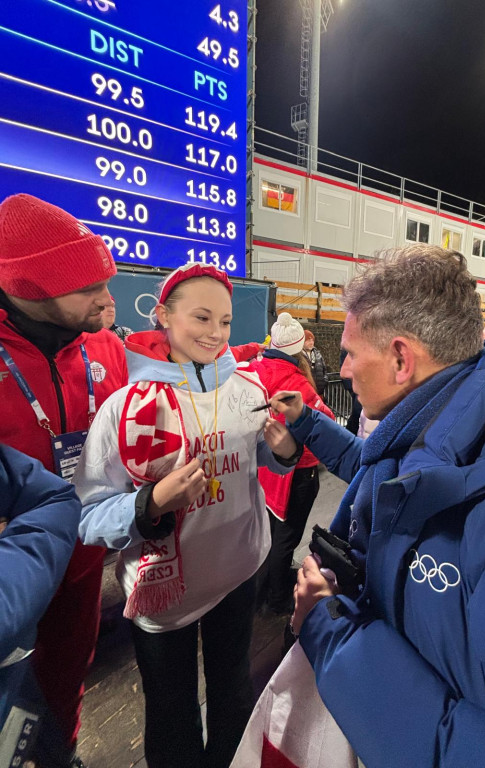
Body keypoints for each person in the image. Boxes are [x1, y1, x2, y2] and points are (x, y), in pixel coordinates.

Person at [269, 245, 485, 767]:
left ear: (399, 358)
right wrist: (305, 422)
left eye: (349, 353)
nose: (342, 371)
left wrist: (330, 631)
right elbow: (372, 467)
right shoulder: (437, 422)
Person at [73, 264, 299, 768]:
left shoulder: (247, 390)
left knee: (234, 694)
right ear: (163, 316)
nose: (216, 334)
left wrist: (281, 452)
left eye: (224, 321)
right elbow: (87, 516)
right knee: (172, 716)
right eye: (201, 317)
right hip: (163, 598)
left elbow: (257, 462)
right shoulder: (125, 406)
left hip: (238, 573)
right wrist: (147, 505)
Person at [0, 193, 128, 768]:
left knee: (68, 669)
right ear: (27, 287)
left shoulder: (105, 346)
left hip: (83, 560)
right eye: (89, 289)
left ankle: (64, 750)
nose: (108, 300)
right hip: (14, 571)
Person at [0, 444, 80, 766]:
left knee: (60, 681)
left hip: (72, 566)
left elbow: (53, 498)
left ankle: (64, 753)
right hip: (39, 578)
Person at [253, 312, 334, 615]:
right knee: (286, 537)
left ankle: (260, 592)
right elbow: (324, 424)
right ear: (299, 348)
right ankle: (277, 600)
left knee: (267, 533)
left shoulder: (254, 370)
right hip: (296, 471)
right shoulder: (297, 383)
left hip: (263, 466)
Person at [303, 329, 328, 397]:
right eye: (308, 340)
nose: (311, 343)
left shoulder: (318, 354)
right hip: (306, 393)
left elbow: (324, 370)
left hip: (319, 392)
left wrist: (324, 382)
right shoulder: (300, 356)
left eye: (312, 340)